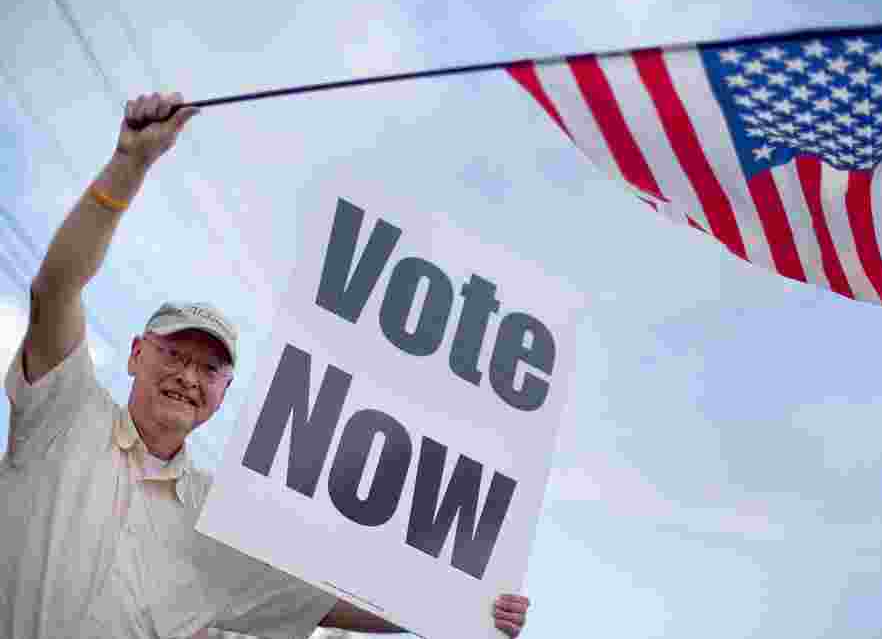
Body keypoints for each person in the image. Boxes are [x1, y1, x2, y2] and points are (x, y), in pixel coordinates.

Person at [0, 93, 531, 639]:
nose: (187, 376)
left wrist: (471, 608)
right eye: (174, 353)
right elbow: (55, 289)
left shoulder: (222, 520)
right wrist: (129, 165)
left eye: (209, 370)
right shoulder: (65, 418)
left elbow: (334, 601)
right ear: (136, 354)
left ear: (224, 393)